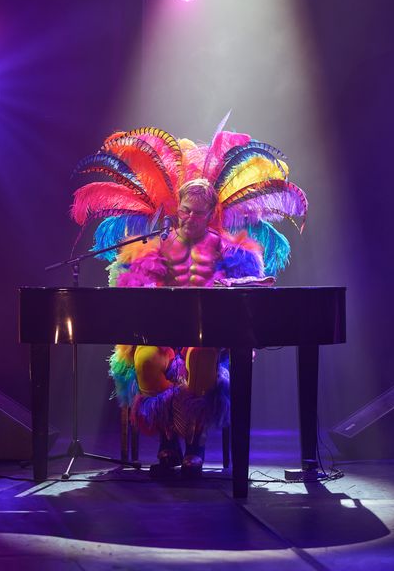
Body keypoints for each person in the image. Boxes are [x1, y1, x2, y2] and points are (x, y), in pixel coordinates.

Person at [70, 123, 307, 475]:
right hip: (160, 336)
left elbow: (249, 298)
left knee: (202, 356)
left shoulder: (231, 251)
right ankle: (168, 441)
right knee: (147, 359)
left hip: (207, 338)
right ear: (177, 207)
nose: (191, 217)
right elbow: (131, 292)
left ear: (211, 213)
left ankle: (195, 443)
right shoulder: (154, 247)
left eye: (199, 212)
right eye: (186, 210)